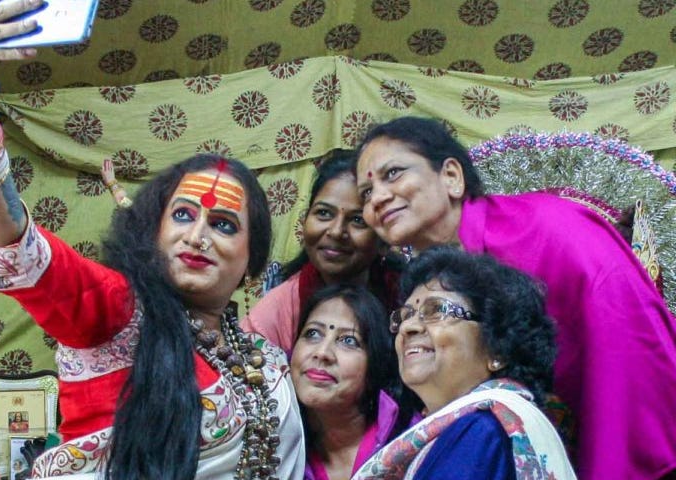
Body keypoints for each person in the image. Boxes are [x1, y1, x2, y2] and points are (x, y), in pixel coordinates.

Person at [0, 2, 304, 478]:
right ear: (154, 232)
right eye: (184, 215)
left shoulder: (268, 364)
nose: (197, 236)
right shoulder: (118, 312)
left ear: (252, 261)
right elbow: (17, 249)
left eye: (224, 225)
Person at [354, 116, 676, 479]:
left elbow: (631, 346)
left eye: (393, 174)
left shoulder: (547, 230)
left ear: (451, 177)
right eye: (366, 194)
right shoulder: (418, 286)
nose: (378, 198)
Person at [355, 247, 575, 479]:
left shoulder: (482, 430)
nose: (408, 327)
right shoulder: (481, 427)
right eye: (405, 315)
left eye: (437, 311)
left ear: (497, 350)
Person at [242, 153, 394, 352]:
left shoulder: (406, 298)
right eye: (323, 213)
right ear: (305, 220)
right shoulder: (274, 315)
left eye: (358, 220)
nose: (336, 231)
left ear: (384, 237)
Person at [289, 284, 411, 480]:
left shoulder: (410, 443)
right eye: (313, 334)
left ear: (374, 366)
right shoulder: (276, 445)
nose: (322, 353)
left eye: (348, 341)